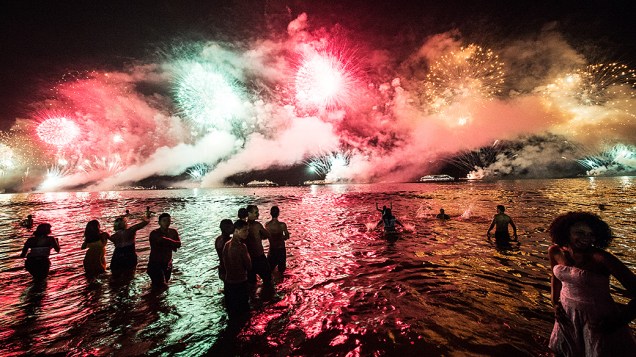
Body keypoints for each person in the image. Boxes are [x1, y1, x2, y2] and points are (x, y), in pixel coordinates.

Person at [548, 212, 636, 356]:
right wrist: (555, 304)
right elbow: (556, 278)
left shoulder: (601, 259)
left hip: (597, 320)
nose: (586, 238)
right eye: (580, 233)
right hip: (567, 315)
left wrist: (617, 321)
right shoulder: (555, 251)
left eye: (591, 234)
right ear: (566, 233)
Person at [222, 219, 252, 316]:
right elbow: (249, 266)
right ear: (236, 231)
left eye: (248, 230)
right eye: (244, 230)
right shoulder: (241, 247)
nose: (247, 233)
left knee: (232, 314)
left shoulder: (226, 245)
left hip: (228, 284)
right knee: (244, 314)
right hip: (240, 284)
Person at [147, 213, 181, 288]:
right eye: (164, 221)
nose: (166, 223)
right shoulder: (154, 233)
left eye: (168, 221)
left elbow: (179, 244)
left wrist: (169, 242)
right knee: (162, 286)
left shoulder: (173, 232)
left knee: (163, 284)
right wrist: (172, 244)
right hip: (155, 263)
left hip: (167, 263)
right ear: (159, 222)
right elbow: (161, 240)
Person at [245, 205, 272, 285]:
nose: (258, 214)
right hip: (259, 257)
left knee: (252, 282)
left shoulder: (243, 226)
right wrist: (260, 236)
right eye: (256, 212)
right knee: (268, 279)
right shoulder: (257, 225)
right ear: (249, 213)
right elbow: (267, 235)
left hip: (248, 259)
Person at [265, 206, 290, 274]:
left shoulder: (267, 225)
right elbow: (287, 236)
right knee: (281, 270)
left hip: (272, 249)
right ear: (278, 213)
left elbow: (266, 235)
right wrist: (282, 237)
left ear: (270, 213)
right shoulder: (282, 225)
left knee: (269, 269)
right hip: (281, 249)